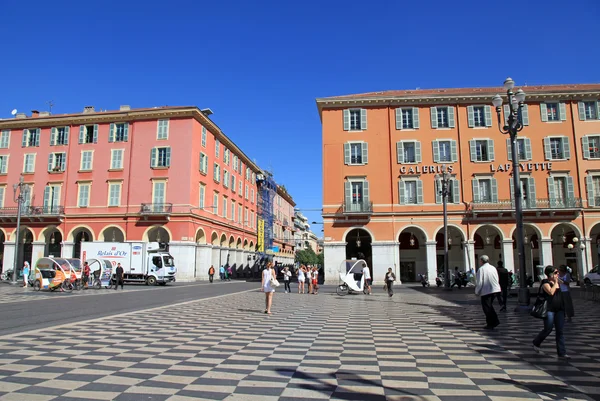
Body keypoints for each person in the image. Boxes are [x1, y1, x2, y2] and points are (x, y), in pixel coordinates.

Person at [533, 265, 568, 358]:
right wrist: (556, 283)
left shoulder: (558, 282)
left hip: (559, 309)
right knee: (548, 329)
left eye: (558, 272)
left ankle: (562, 353)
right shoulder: (545, 283)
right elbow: (551, 292)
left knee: (560, 331)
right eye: (556, 273)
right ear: (550, 274)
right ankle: (536, 341)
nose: (558, 274)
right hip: (549, 309)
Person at [475, 255, 501, 330]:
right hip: (495, 289)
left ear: (481, 261)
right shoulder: (493, 268)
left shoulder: (481, 269)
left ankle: (492, 322)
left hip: (487, 290)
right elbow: (497, 278)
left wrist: (477, 291)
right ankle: (494, 321)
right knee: (489, 306)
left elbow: (480, 282)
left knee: (486, 307)